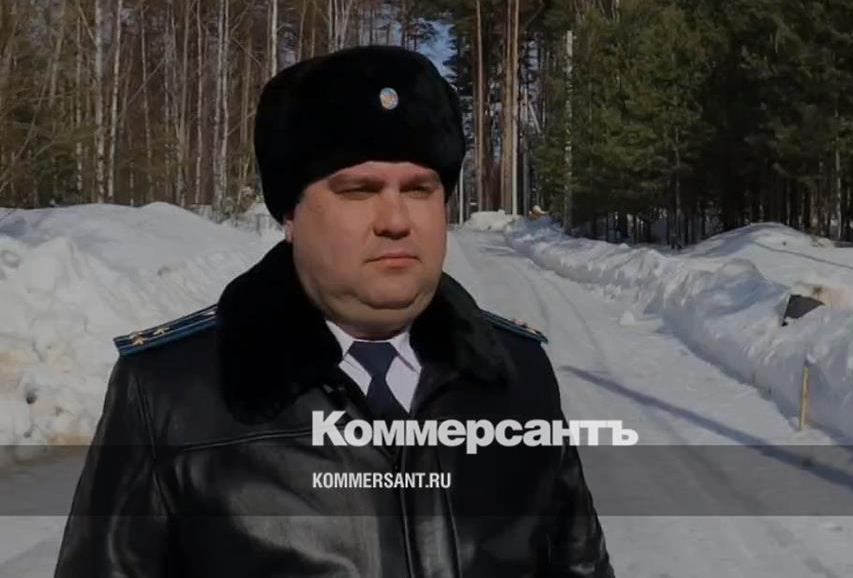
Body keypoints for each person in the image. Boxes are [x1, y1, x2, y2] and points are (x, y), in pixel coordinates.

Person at [54, 45, 614, 577]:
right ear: (290, 215)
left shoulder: (517, 377)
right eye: (359, 190)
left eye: (419, 189)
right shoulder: (170, 393)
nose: (395, 220)